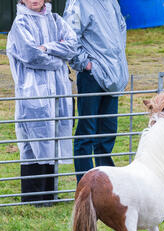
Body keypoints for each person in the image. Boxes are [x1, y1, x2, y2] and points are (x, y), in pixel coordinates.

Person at [7, 0, 77, 206]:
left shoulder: (56, 20)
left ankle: (49, 196)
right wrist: (58, 60)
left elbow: (72, 45)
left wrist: (47, 47)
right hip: (34, 91)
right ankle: (33, 198)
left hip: (57, 91)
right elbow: (30, 55)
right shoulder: (20, 24)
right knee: (34, 142)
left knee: (52, 139)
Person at [63, 0, 129, 183]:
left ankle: (106, 184)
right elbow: (69, 34)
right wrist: (85, 64)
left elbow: (120, 30)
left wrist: (118, 65)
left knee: (107, 130)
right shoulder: (79, 3)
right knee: (87, 130)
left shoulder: (111, 2)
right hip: (91, 75)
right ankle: (85, 185)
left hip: (112, 74)